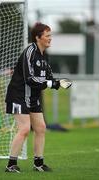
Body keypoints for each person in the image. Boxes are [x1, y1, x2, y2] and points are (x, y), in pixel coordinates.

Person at [5, 22, 60, 173]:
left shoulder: (43, 57)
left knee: (41, 128)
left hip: (33, 97)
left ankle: (38, 164)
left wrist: (55, 83)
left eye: (50, 35)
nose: (50, 38)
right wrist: (49, 83)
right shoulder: (30, 51)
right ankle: (11, 165)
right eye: (47, 35)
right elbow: (29, 78)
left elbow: (46, 80)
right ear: (37, 37)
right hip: (18, 95)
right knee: (24, 129)